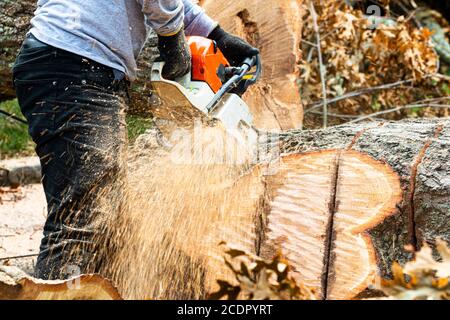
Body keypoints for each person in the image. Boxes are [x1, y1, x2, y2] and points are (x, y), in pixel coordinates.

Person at [12, 0, 259, 280]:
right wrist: (171, 36)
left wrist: (216, 36)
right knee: (82, 218)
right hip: (74, 65)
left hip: (69, 61)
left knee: (108, 216)